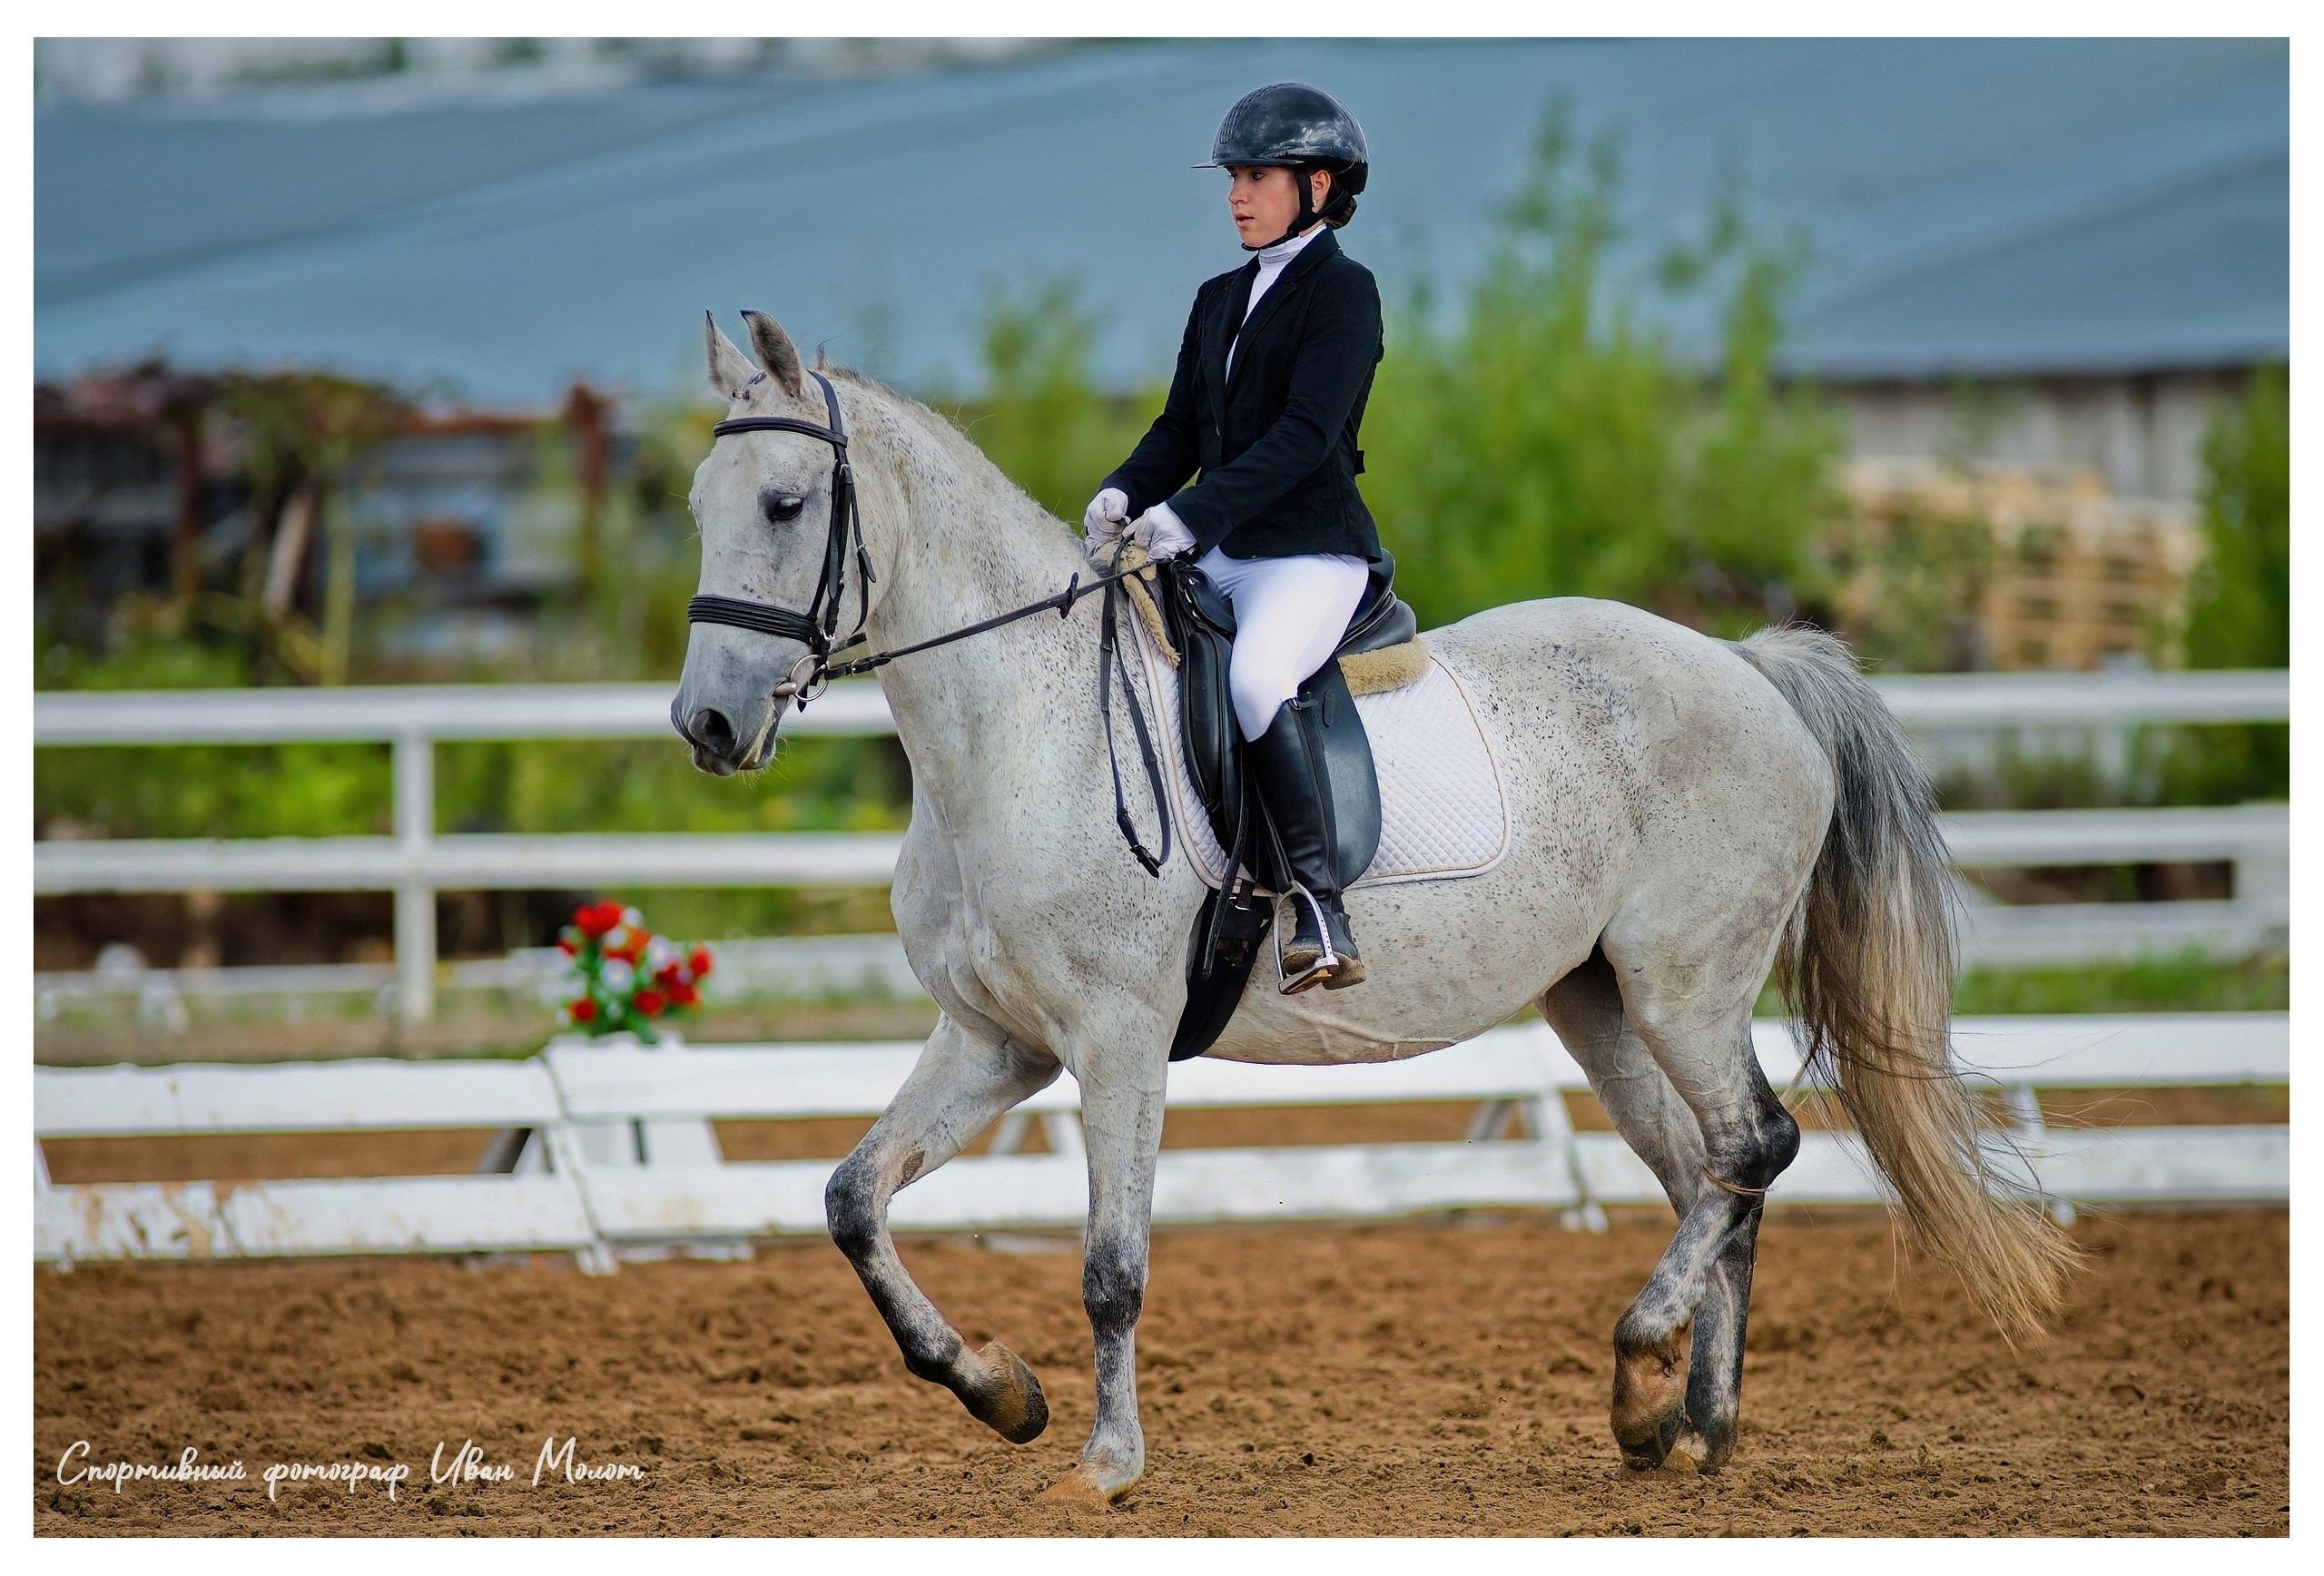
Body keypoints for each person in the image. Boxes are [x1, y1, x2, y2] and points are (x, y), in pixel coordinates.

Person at [1084, 82, 1382, 994]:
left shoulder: (1344, 293)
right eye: (1233, 178)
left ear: (1318, 183)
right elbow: (1180, 426)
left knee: (1256, 676)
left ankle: (1319, 905)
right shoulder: (1218, 297)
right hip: (1216, 546)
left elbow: (1305, 435)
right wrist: (1125, 488)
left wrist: (1190, 515)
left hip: (1307, 553)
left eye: (1255, 176)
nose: (1236, 194)